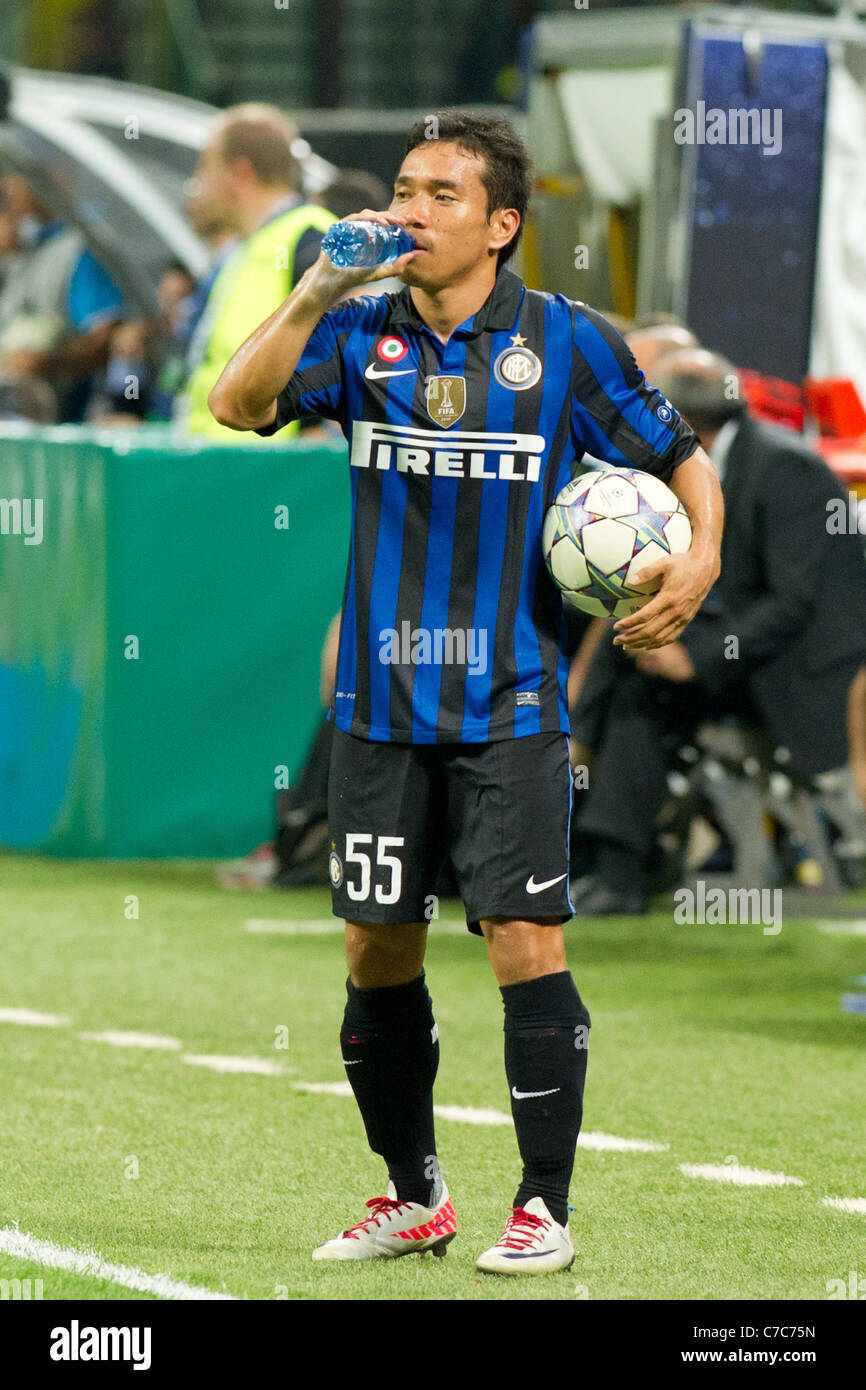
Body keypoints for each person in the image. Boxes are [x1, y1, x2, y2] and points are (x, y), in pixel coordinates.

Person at [208, 111, 722, 1275]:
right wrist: (309, 297)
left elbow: (680, 455)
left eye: (440, 194)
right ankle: (412, 1194)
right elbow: (237, 407)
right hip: (380, 714)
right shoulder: (358, 333)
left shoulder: (567, 342)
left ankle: (543, 1205)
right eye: (400, 189)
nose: (408, 211)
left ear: (499, 225)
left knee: (522, 943)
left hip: (509, 707)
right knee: (374, 951)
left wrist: (694, 559)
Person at [569, 349, 866, 914]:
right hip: (752, 652)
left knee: (649, 692)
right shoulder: (724, 460)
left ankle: (613, 868)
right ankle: (586, 846)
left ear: (679, 422)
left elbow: (791, 604)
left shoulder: (784, 468)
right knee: (631, 647)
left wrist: (697, 659)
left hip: (802, 672)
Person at [176, 104, 334, 439]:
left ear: (240, 173)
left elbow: (340, 372)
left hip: (271, 479)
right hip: (224, 472)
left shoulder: (313, 240)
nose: (196, 179)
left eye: (205, 165)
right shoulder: (242, 249)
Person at [0, 173, 124, 422]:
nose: (8, 190)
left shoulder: (73, 249)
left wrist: (45, 362)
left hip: (58, 423)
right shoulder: (18, 258)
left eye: (15, 180)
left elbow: (106, 340)